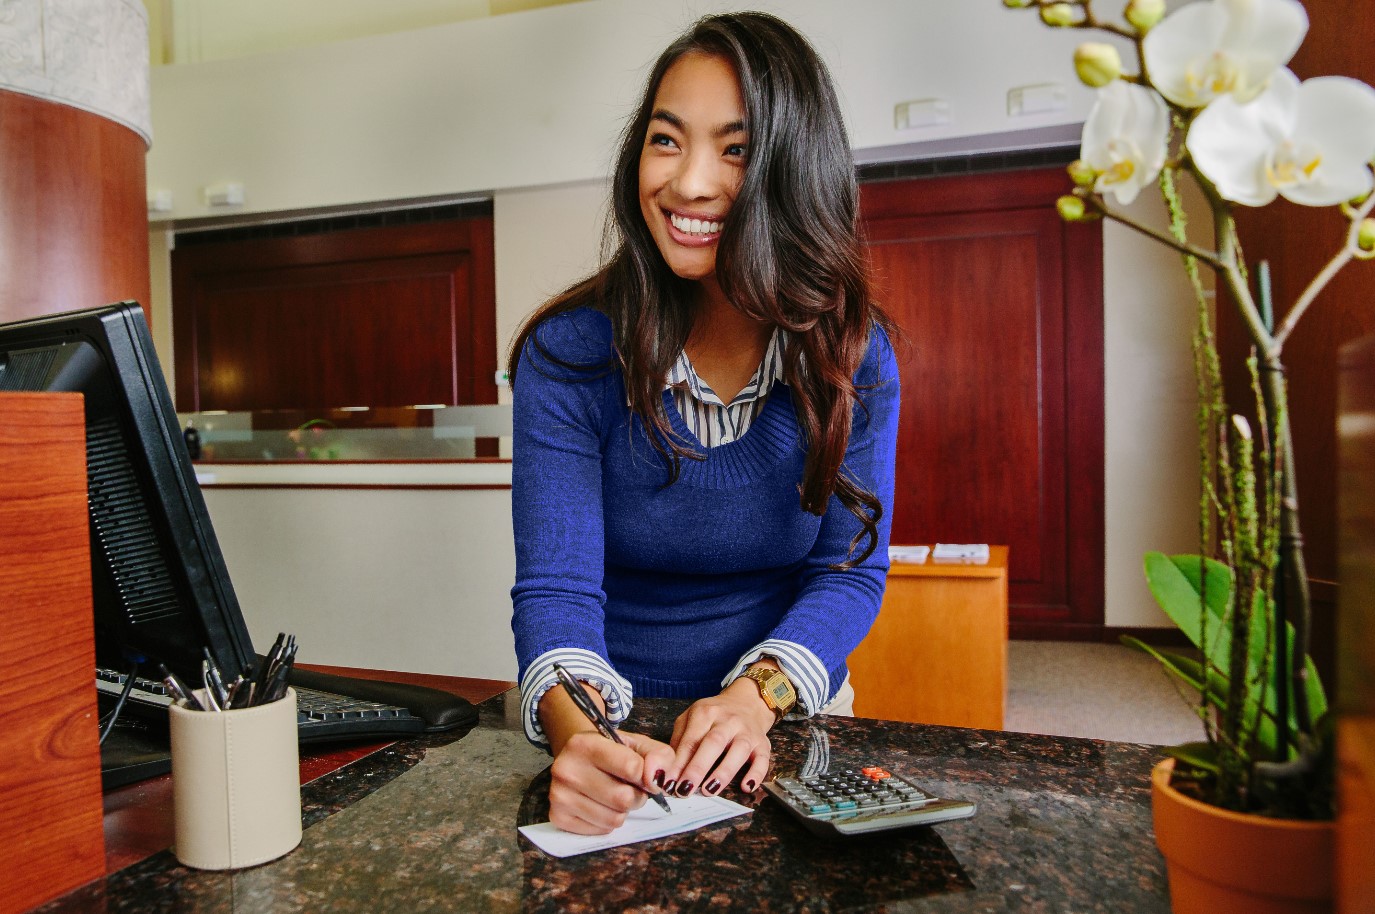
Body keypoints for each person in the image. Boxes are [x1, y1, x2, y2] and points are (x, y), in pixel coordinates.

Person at [508, 11, 900, 836]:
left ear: (795, 168)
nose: (687, 184)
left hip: (779, 705)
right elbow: (555, 590)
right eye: (664, 139)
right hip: (607, 708)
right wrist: (582, 737)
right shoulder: (569, 353)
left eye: (736, 148)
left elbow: (848, 572)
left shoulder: (852, 358)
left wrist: (752, 699)